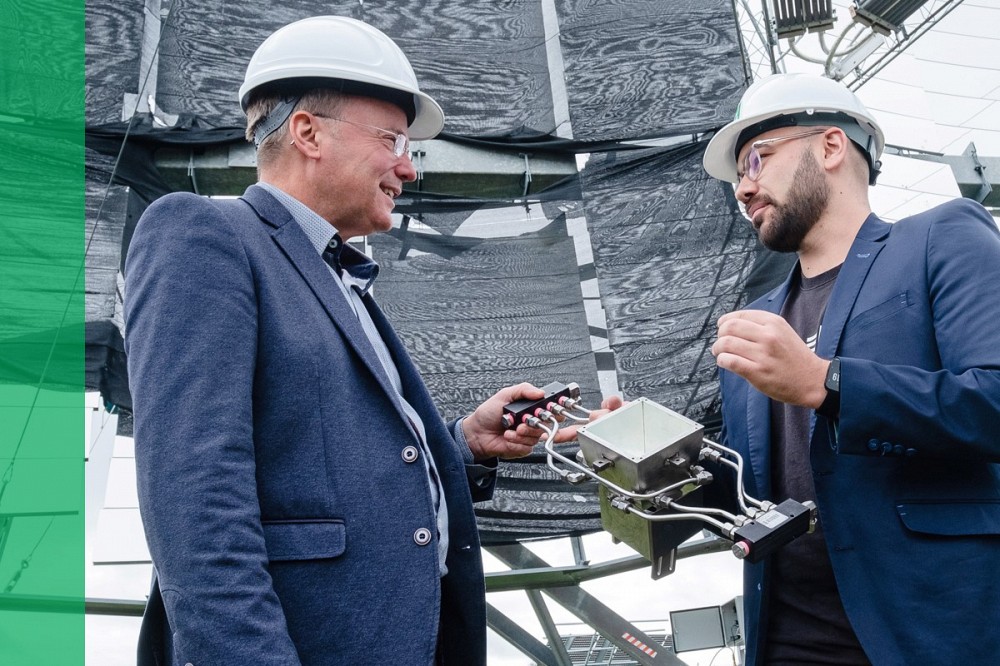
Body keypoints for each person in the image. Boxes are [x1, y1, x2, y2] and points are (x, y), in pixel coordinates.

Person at [124, 16, 592, 666]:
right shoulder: (204, 235)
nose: (407, 168)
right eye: (393, 140)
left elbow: (331, 465)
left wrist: (462, 444)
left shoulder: (338, 277)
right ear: (308, 132)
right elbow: (195, 500)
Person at [702, 72, 1000, 665]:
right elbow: (742, 486)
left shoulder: (941, 238)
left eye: (757, 159)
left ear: (832, 146)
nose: (744, 188)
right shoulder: (754, 324)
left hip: (931, 630)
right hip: (785, 635)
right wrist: (632, 453)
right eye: (738, 176)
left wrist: (826, 383)